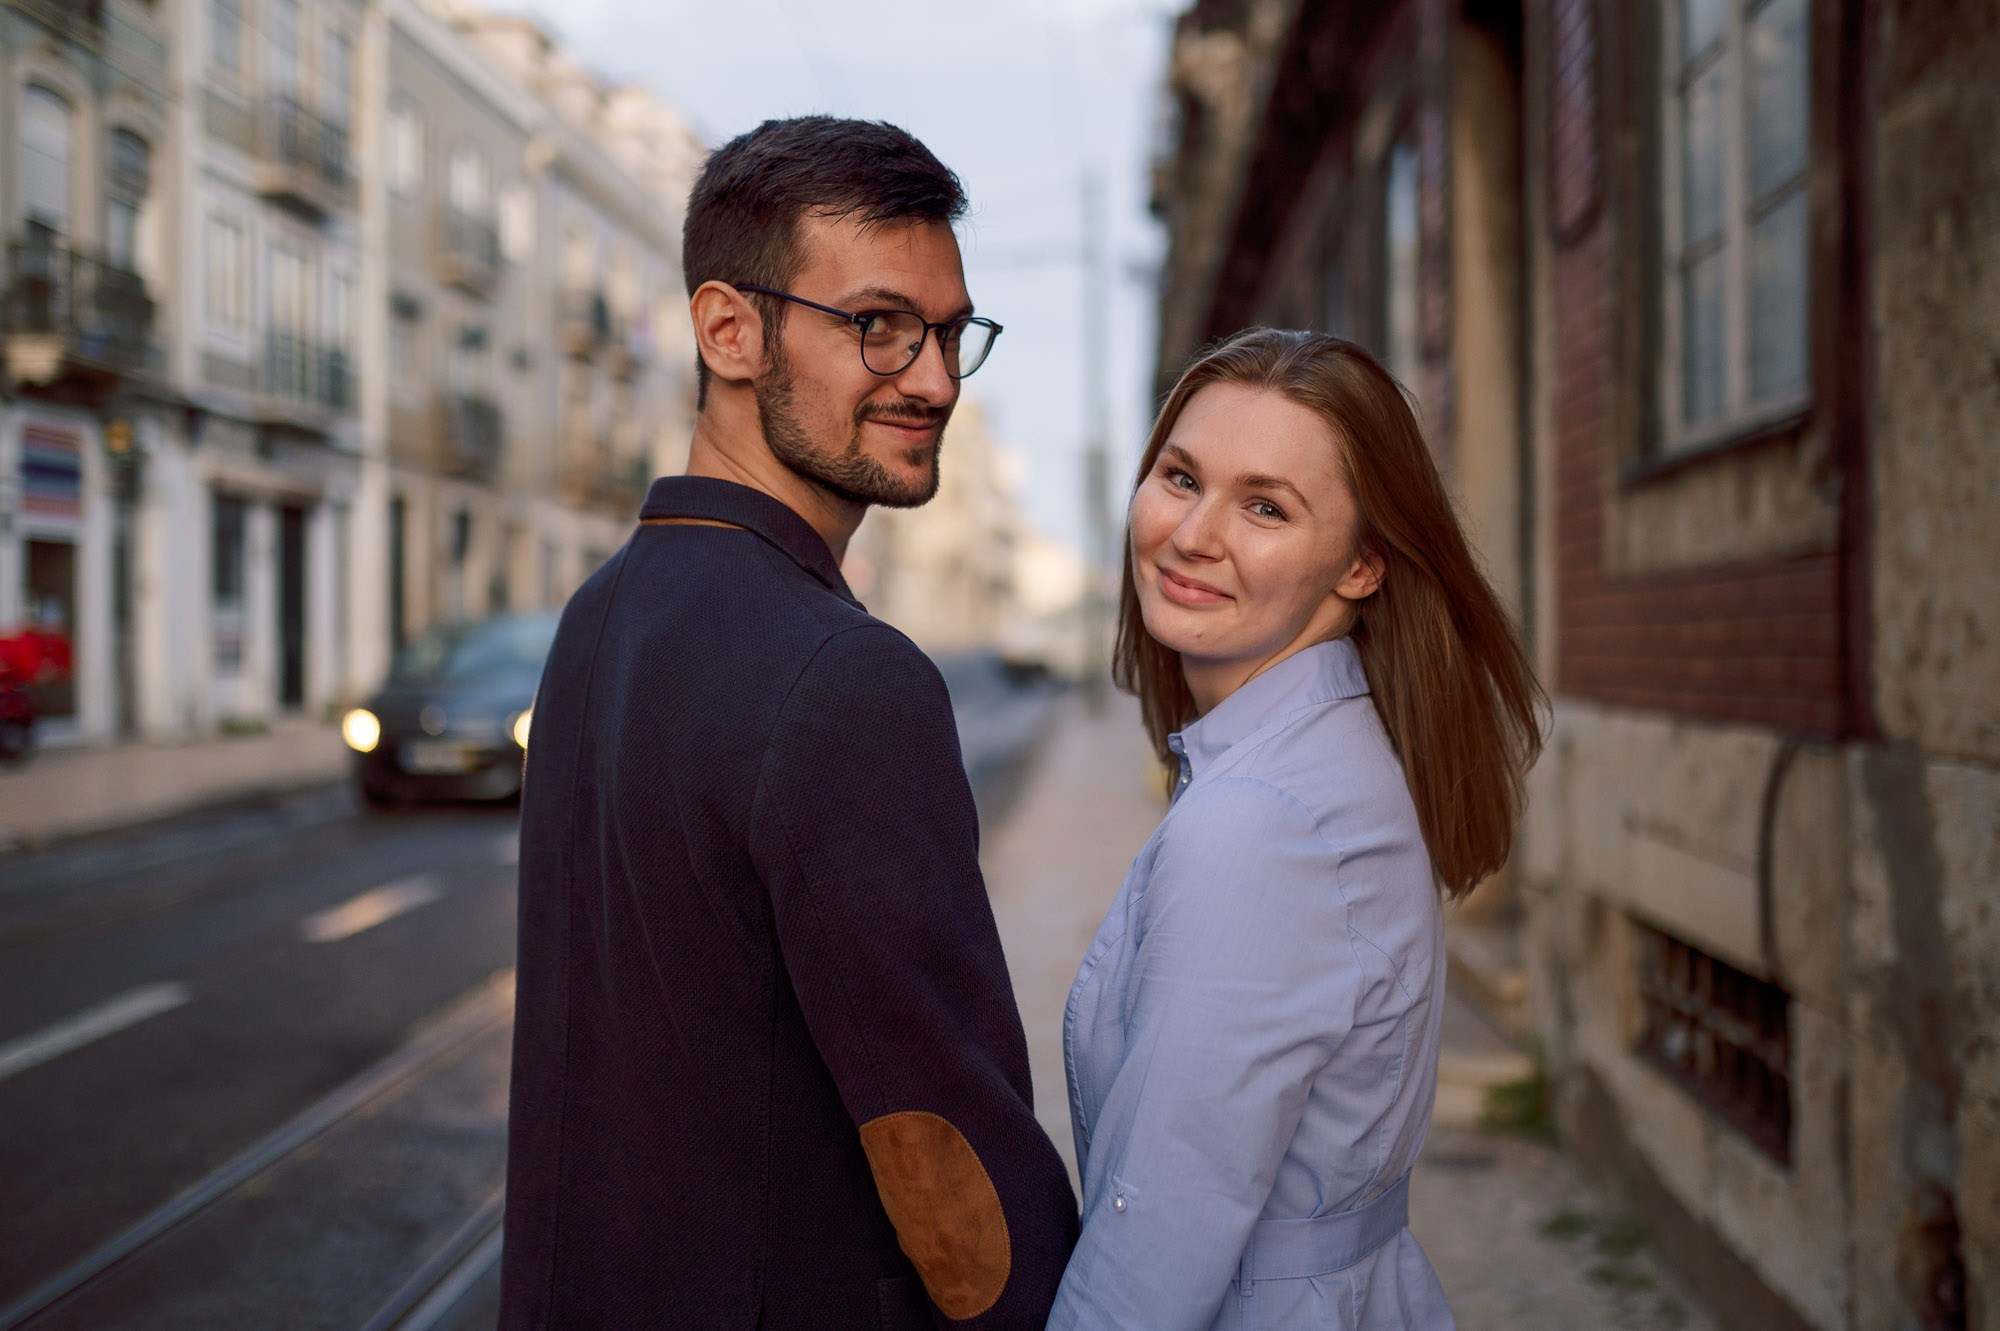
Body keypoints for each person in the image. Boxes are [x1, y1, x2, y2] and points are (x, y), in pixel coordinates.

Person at [499, 117, 1078, 1330]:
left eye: (948, 332)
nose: (932, 379)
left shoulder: (596, 617)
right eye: (876, 325)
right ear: (727, 330)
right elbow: (946, 1145)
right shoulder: (847, 678)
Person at [1047, 329, 1544, 1329]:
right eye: (1180, 477)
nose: (1193, 534)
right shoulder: (1329, 748)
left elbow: (1151, 1253)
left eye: (1264, 506)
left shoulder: (1257, 828)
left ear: (1361, 564)